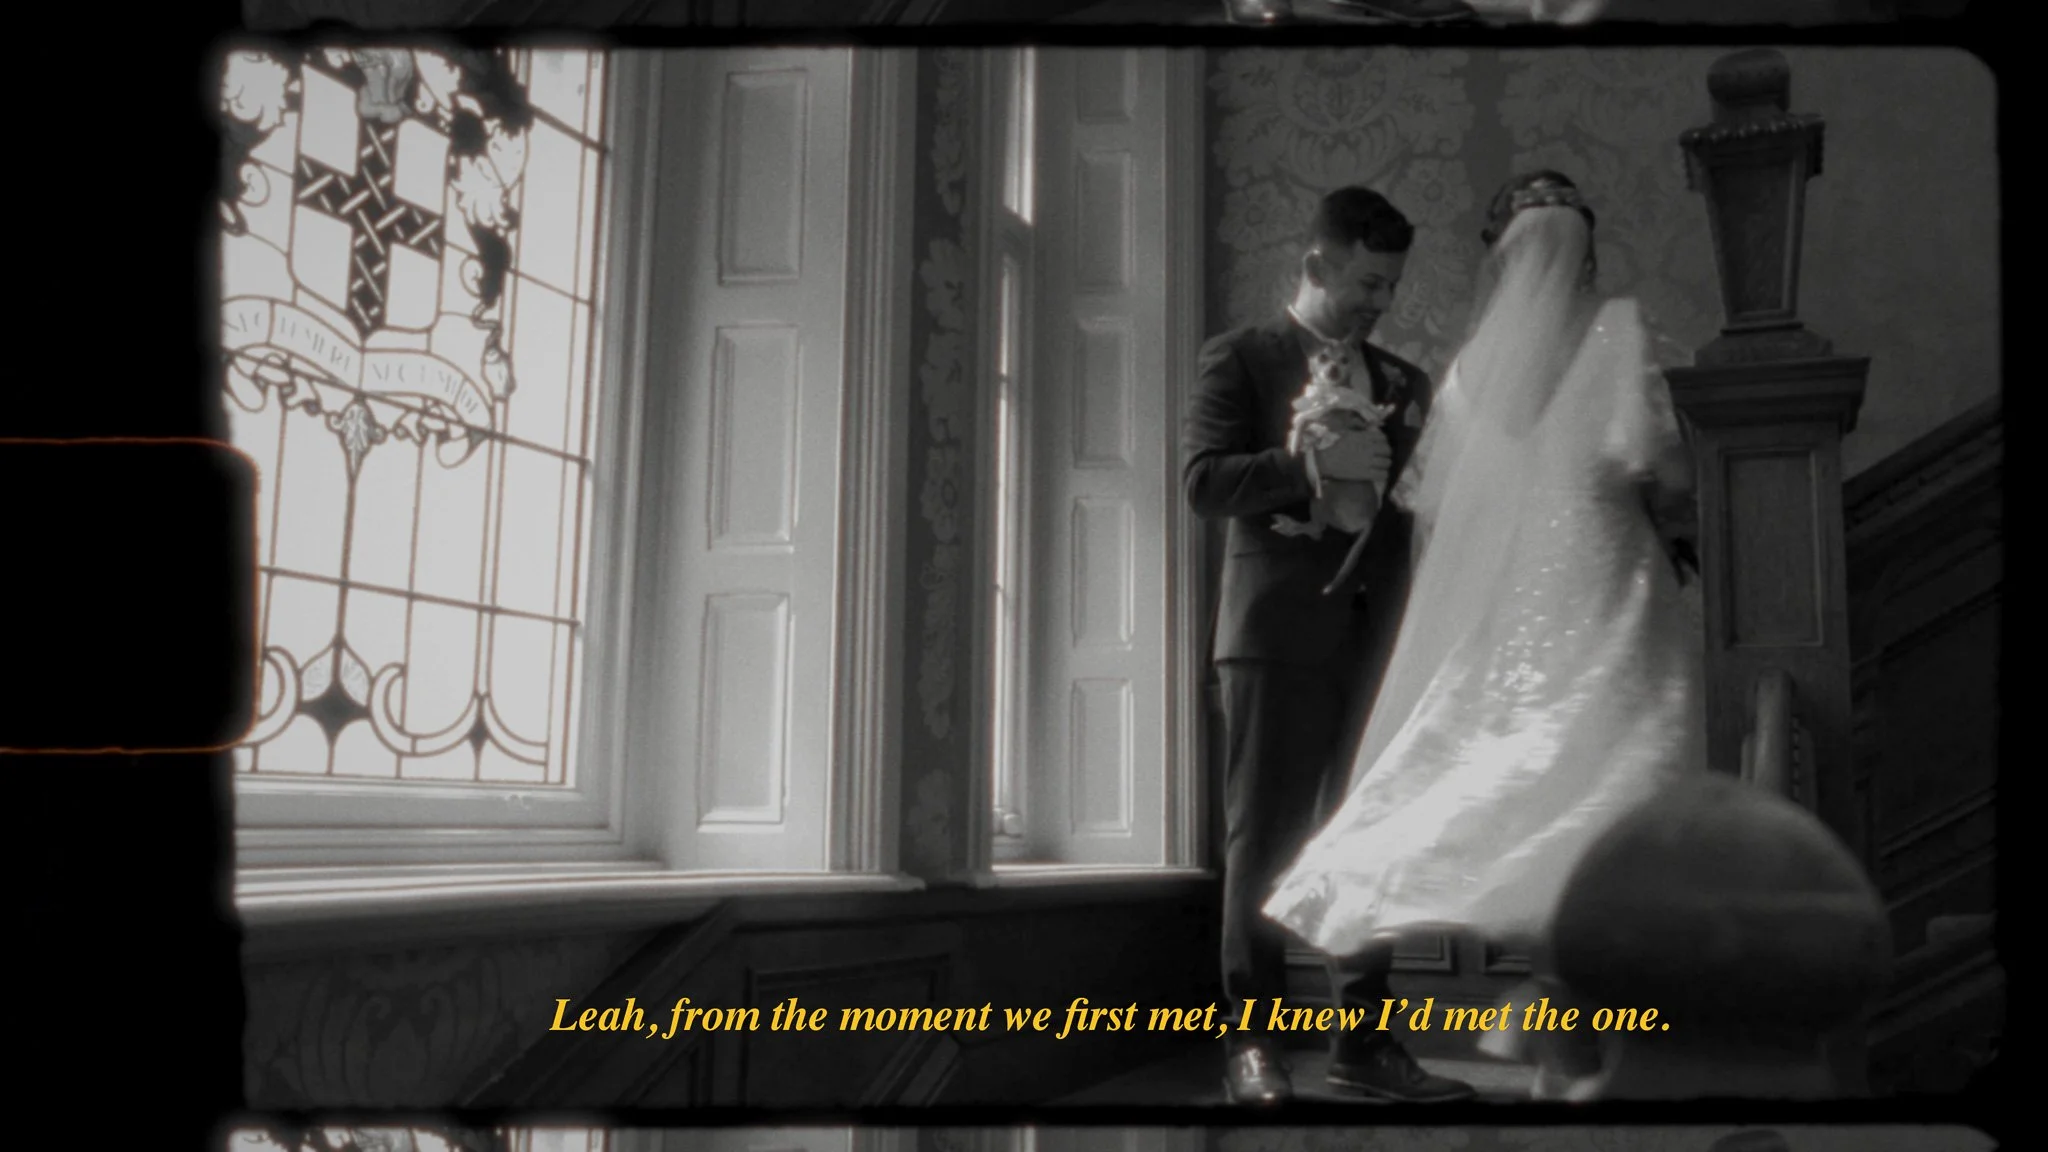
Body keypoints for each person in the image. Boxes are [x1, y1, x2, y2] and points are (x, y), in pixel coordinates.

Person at [1261, 171, 1708, 1099]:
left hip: (1515, 617)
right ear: (1583, 249)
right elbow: (1662, 471)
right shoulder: (1615, 332)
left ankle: (1559, 1036)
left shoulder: (1470, 373)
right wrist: (1678, 519)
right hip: (1606, 591)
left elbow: (1439, 512)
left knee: (1535, 812)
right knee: (1610, 808)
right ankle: (1574, 1040)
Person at [1184, 186, 1476, 1105]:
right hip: (1273, 635)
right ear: (1316, 265)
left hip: (1375, 639)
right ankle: (1253, 1048)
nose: (1379, 304)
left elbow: (1415, 514)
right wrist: (1310, 467)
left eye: (1389, 288)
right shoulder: (1241, 358)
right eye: (1365, 283)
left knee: (1375, 839)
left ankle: (1366, 1048)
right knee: (1263, 844)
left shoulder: (1405, 385)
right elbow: (1202, 481)